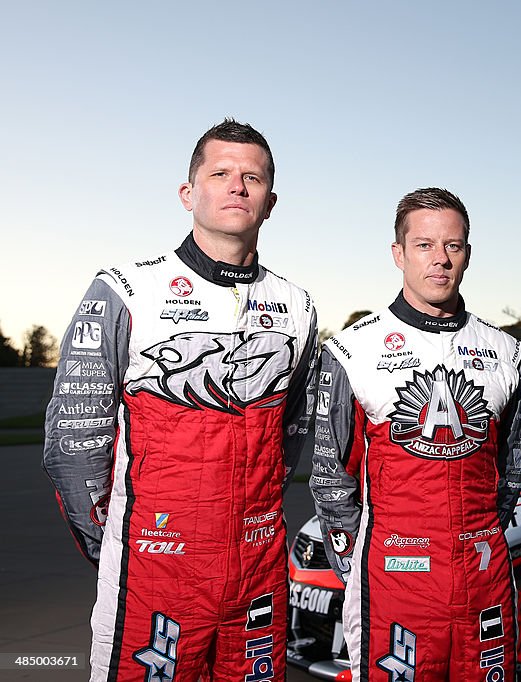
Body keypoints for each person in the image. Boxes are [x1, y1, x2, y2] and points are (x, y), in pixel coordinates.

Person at [42, 119, 318, 681]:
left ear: (271, 202)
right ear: (188, 194)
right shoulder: (125, 289)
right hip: (153, 567)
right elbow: (74, 445)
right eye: (219, 173)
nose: (237, 186)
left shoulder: (298, 307)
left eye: (252, 177)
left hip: (258, 568)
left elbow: (291, 434)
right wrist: (120, 544)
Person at [311, 188, 521, 682]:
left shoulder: (506, 352)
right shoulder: (352, 350)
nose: (440, 260)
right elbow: (330, 482)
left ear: (467, 254)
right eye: (424, 245)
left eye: (453, 245)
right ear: (398, 254)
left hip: (484, 579)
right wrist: (362, 571)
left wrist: (478, 541)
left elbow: (508, 473)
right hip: (391, 585)